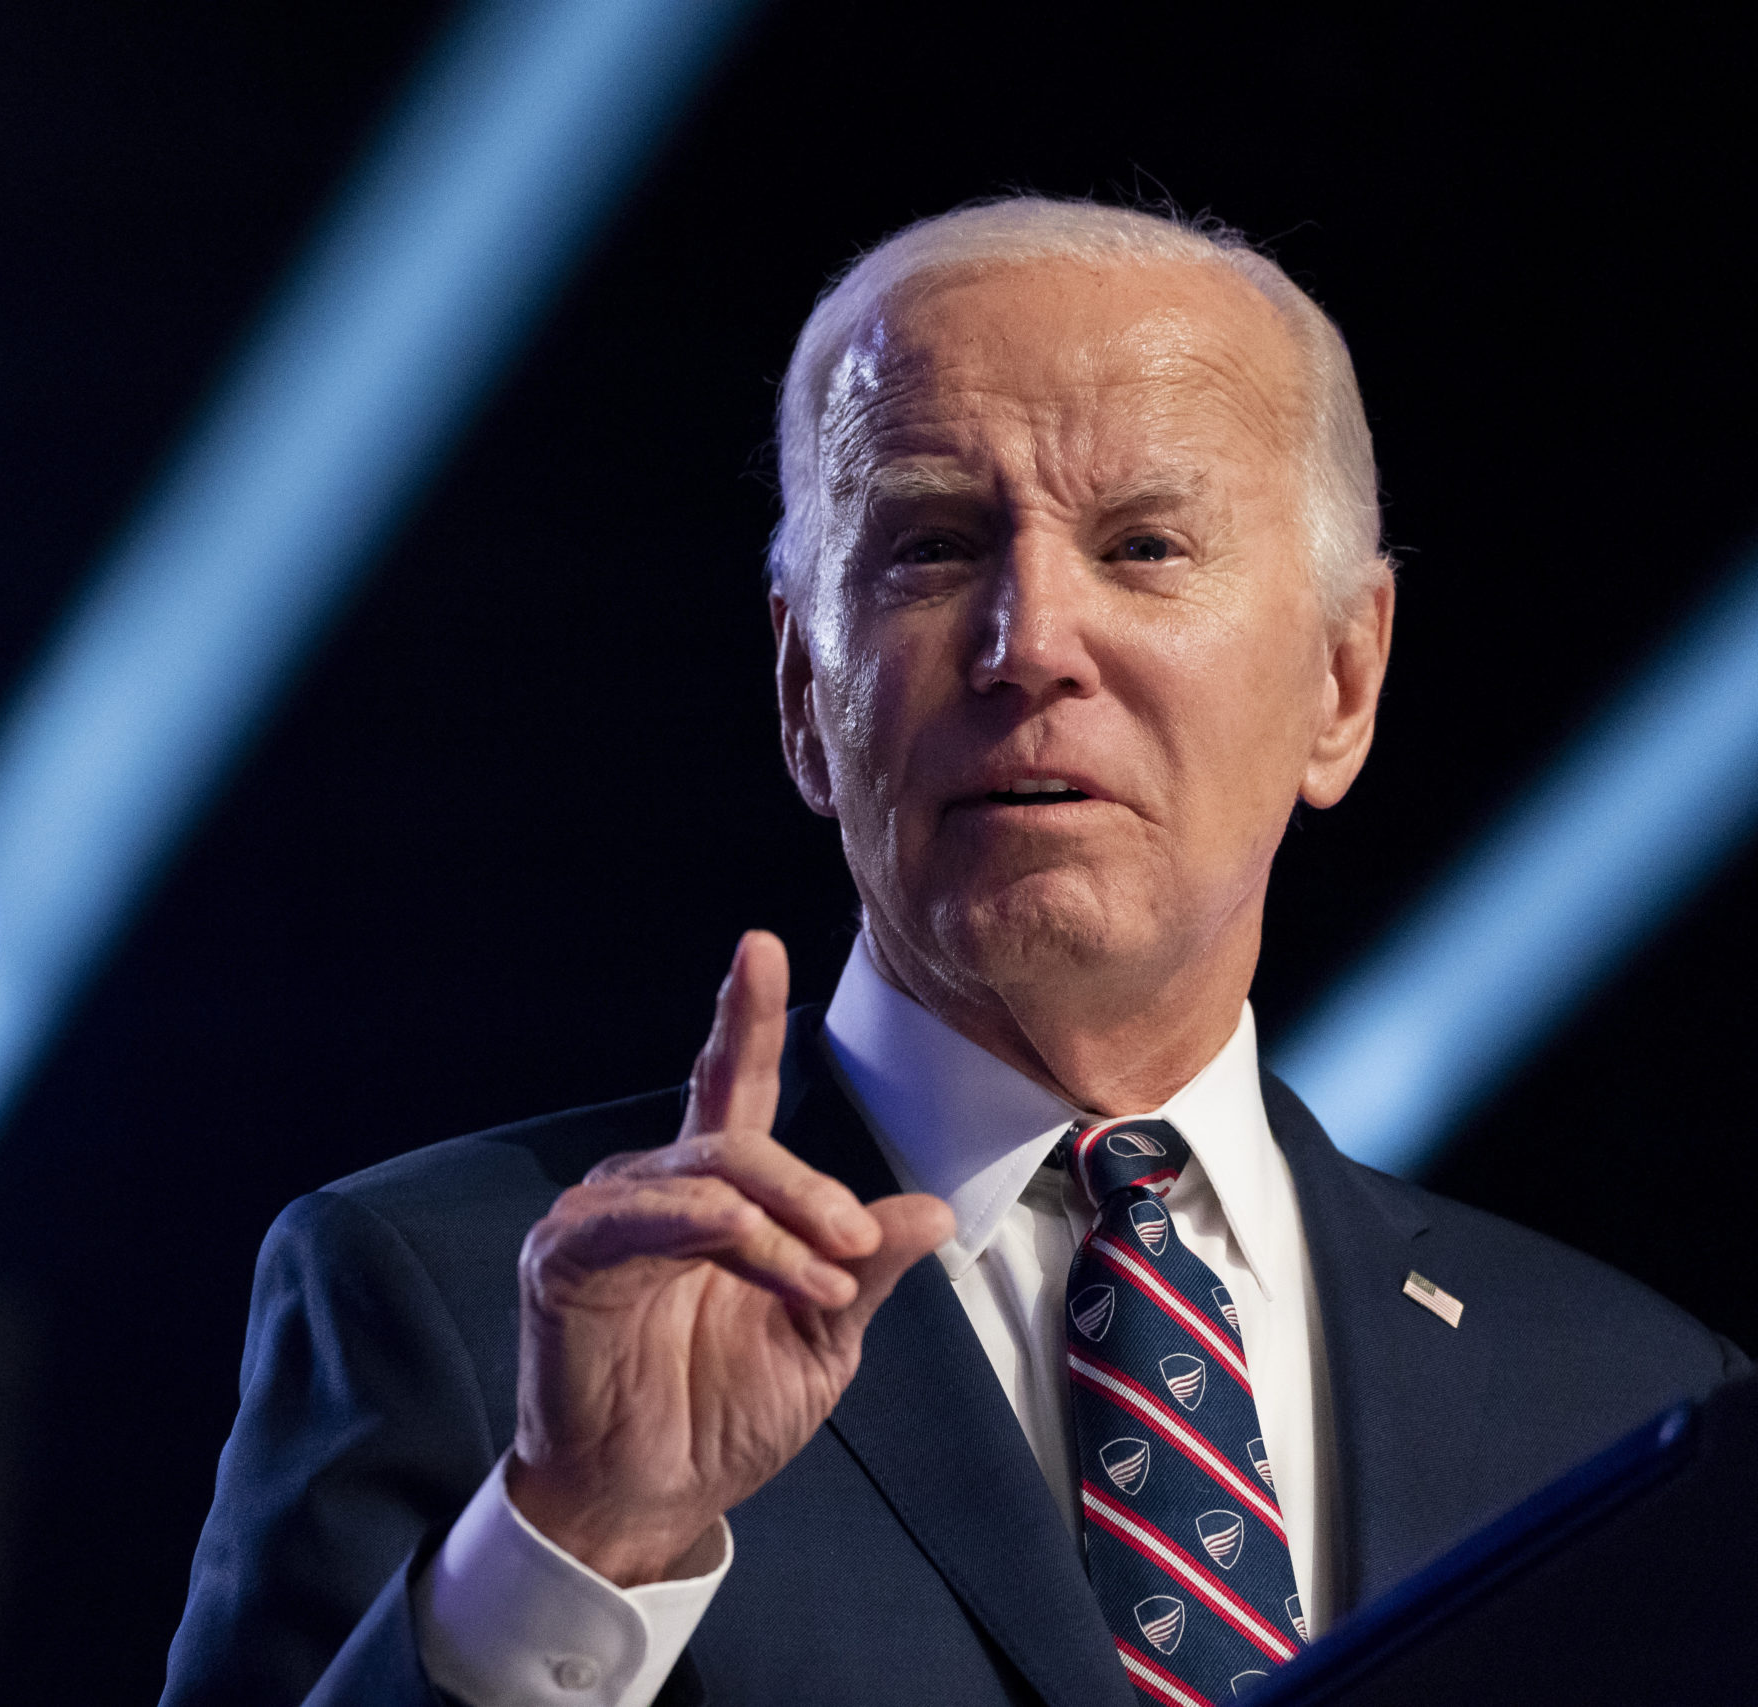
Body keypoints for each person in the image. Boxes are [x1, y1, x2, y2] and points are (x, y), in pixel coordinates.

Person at [157, 198, 1745, 1707]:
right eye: (928, 546)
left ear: (1342, 681)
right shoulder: (454, 1301)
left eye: (1143, 547)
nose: (1030, 643)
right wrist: (576, 1551)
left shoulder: (1627, 1405)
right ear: (801, 686)